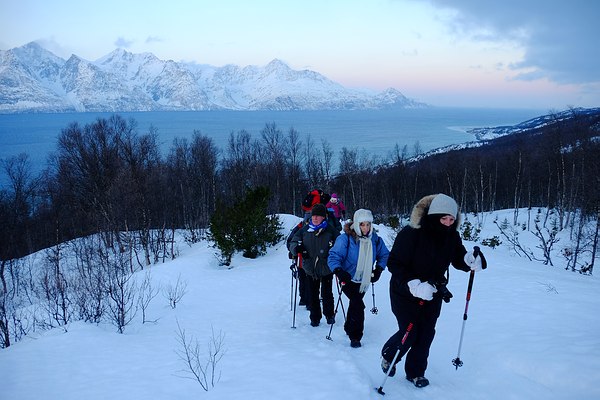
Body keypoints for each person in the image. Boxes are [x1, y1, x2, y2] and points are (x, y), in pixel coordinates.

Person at [380, 193, 486, 388]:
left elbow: (457, 256)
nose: (447, 223)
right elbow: (394, 263)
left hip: (433, 291)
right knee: (410, 331)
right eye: (443, 218)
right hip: (405, 291)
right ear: (433, 216)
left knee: (426, 333)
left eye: (451, 219)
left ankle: (416, 373)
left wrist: (469, 260)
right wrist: (414, 284)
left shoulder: (451, 235)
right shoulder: (412, 232)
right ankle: (389, 354)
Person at [328, 209, 389, 348]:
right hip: (347, 278)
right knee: (357, 304)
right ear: (356, 224)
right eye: (362, 224)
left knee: (355, 302)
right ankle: (355, 336)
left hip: (365, 280)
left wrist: (378, 269)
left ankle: (349, 326)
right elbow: (333, 256)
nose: (366, 228)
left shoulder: (374, 239)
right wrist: (338, 271)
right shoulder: (345, 239)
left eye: (368, 224)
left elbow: (384, 254)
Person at [289, 203, 340, 327]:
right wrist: (297, 249)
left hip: (326, 266)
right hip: (310, 267)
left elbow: (340, 244)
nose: (315, 218)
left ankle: (329, 315)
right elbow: (293, 241)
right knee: (312, 293)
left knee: (327, 293)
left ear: (324, 217)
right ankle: (315, 317)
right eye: (313, 216)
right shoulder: (305, 230)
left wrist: (335, 252)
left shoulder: (330, 230)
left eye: (318, 216)